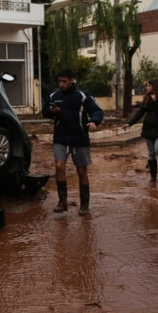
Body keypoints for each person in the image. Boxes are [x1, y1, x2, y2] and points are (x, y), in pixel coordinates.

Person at [42, 69, 104, 215]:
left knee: (81, 170)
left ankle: (84, 205)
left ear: (72, 80)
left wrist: (94, 122)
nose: (61, 84)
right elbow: (45, 112)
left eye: (64, 81)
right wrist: (52, 111)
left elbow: (97, 111)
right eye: (59, 81)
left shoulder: (82, 96)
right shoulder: (54, 95)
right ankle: (62, 202)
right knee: (59, 166)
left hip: (79, 137)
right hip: (61, 137)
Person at [122, 79, 158, 181]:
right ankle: (153, 176)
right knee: (151, 153)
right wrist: (129, 123)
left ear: (155, 86)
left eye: (148, 86)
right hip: (149, 128)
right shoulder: (147, 98)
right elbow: (140, 112)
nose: (146, 88)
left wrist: (155, 101)